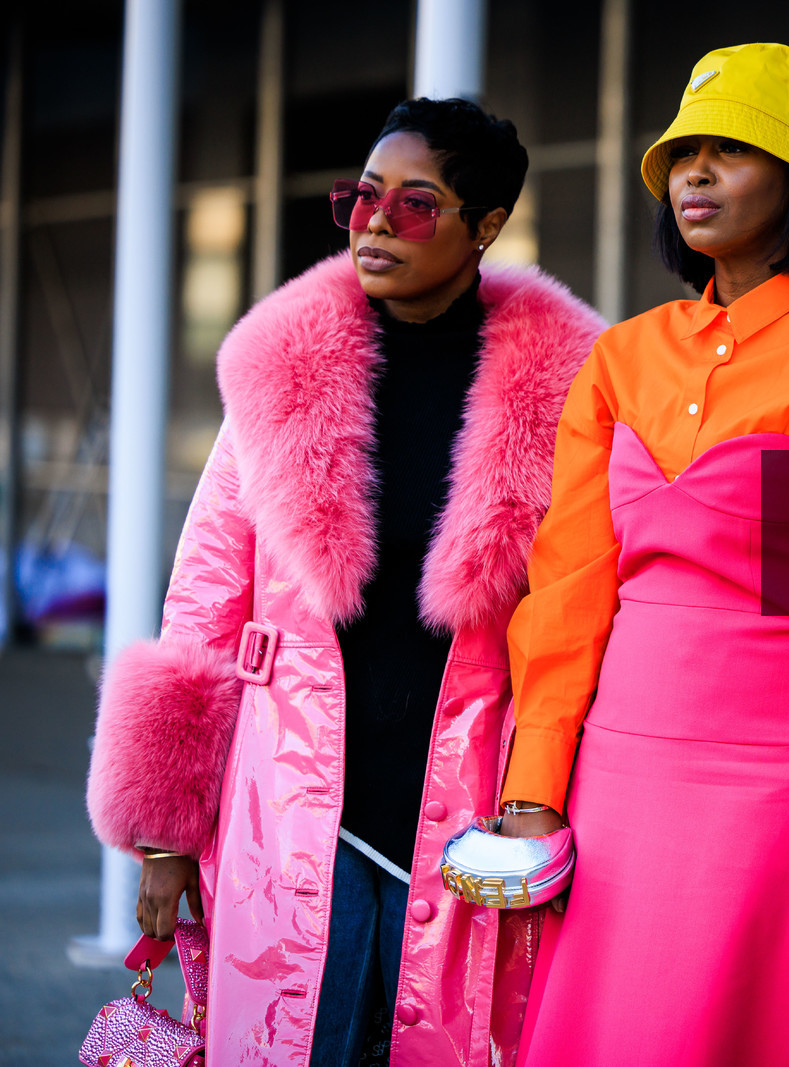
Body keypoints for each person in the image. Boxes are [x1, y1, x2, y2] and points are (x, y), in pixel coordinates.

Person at [85, 98, 604, 1065]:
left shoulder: (574, 395)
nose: (375, 222)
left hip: (473, 812)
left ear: (486, 227)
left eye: (415, 204)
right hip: (283, 812)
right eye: (363, 198)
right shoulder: (280, 375)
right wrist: (161, 835)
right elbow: (204, 600)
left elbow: (589, 614)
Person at [494, 42, 789, 1067]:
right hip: (617, 783)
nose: (694, 175)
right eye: (681, 155)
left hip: (786, 797)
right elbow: (570, 586)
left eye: (730, 152)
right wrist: (534, 779)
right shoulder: (620, 358)